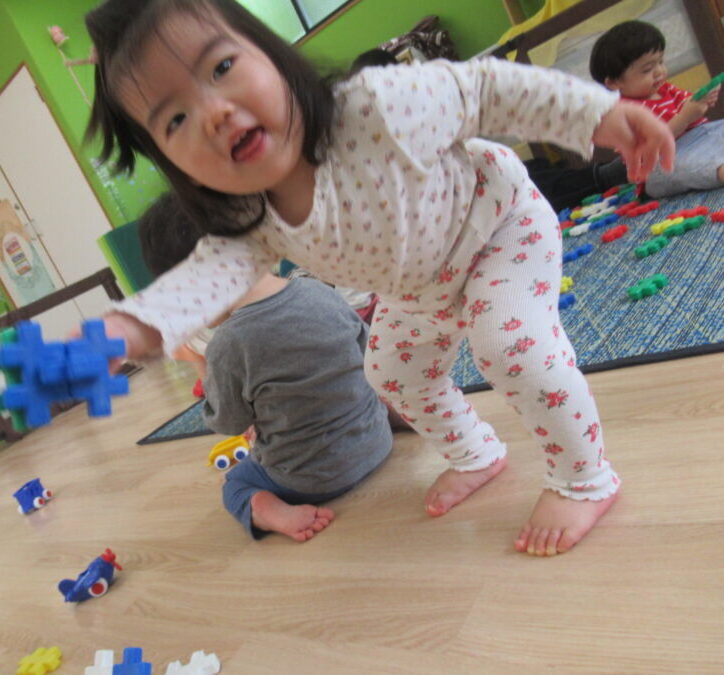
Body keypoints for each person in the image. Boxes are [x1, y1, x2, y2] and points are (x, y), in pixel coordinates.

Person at [84, 0, 675, 556]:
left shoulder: (372, 108)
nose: (213, 113)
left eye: (221, 67)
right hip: (419, 290)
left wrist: (594, 113)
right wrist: (118, 336)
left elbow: (484, 90)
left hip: (497, 229)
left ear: (275, 57)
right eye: (176, 118)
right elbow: (198, 286)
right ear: (177, 168)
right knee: (390, 371)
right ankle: (476, 453)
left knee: (509, 346)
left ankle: (584, 479)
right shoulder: (250, 219)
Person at [137, 192, 393, 542]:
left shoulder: (227, 345)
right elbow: (369, 357)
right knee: (370, 397)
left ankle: (266, 509)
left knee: (235, 483)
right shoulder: (320, 292)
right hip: (378, 442)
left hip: (310, 480)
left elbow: (228, 422)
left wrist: (203, 368)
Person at [590, 19, 722, 198]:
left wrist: (702, 99)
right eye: (647, 69)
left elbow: (688, 105)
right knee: (693, 167)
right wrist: (685, 117)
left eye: (661, 61)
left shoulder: (664, 89)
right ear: (614, 82)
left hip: (701, 137)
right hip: (662, 163)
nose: (659, 71)